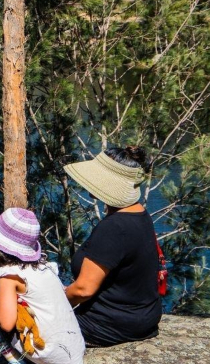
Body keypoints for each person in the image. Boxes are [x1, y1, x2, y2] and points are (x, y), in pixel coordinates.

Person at [63, 146, 162, 347]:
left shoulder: (114, 226)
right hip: (144, 318)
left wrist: (54, 303)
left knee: (17, 324)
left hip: (110, 326)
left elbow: (83, 290)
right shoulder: (140, 215)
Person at [0, 208, 85, 364]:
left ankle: (15, 361)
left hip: (46, 353)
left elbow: (7, 323)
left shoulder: (9, 276)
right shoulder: (47, 267)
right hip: (74, 351)